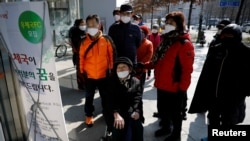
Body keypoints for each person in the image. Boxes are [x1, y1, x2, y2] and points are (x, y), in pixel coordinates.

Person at [144, 11, 195, 141]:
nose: (167, 25)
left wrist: (182, 89)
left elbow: (187, 70)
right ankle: (166, 127)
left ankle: (176, 135)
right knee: (163, 109)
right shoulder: (166, 40)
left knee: (176, 114)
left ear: (179, 25)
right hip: (162, 84)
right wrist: (142, 66)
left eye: (171, 23)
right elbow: (157, 62)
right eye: (166, 23)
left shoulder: (184, 43)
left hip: (175, 87)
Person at [188, 24, 250, 127]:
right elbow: (206, 74)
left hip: (233, 100)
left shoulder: (245, 52)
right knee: (213, 122)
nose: (226, 38)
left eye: (230, 36)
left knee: (228, 123)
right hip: (214, 98)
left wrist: (243, 92)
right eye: (224, 35)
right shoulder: (216, 49)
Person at [79, 14, 115, 132]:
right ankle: (89, 115)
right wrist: (81, 72)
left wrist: (112, 70)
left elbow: (112, 56)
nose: (91, 26)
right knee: (89, 97)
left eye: (93, 24)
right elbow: (81, 58)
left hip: (104, 75)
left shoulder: (107, 39)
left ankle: (107, 114)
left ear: (99, 25)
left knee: (105, 97)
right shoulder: (84, 42)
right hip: (89, 75)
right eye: (88, 25)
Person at [108, 57, 144, 141]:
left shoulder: (136, 82)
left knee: (137, 127)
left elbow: (138, 98)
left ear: (130, 69)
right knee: (118, 128)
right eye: (118, 67)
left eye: (123, 67)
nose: (121, 69)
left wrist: (137, 111)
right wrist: (116, 114)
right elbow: (109, 101)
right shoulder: (110, 82)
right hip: (117, 112)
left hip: (131, 110)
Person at [68, 19, 86, 90]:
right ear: (78, 24)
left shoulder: (85, 32)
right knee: (79, 70)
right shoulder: (75, 32)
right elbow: (73, 43)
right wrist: (75, 50)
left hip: (85, 54)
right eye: (82, 24)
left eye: (84, 24)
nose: (83, 25)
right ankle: (80, 85)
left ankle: (85, 83)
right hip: (78, 54)